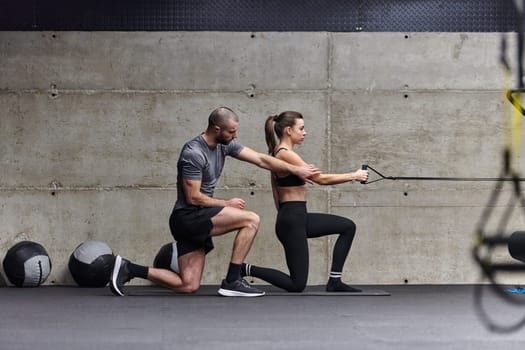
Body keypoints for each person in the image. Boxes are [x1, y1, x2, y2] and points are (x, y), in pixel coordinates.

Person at [109, 107, 320, 297]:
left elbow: (261, 159)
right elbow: (193, 197)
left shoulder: (224, 145)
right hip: (189, 217)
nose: (235, 135)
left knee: (187, 285)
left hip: (198, 219)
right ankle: (232, 280)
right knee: (250, 220)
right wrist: (225, 203)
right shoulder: (193, 152)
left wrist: (295, 169)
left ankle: (129, 268)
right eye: (231, 132)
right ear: (216, 128)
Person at [241, 111, 368, 292]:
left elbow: (276, 193)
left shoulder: (278, 154)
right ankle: (243, 269)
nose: (305, 132)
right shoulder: (286, 155)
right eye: (301, 128)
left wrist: (287, 217)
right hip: (292, 219)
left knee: (348, 226)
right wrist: (354, 176)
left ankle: (334, 281)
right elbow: (320, 179)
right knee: (297, 284)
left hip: (296, 217)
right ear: (288, 131)